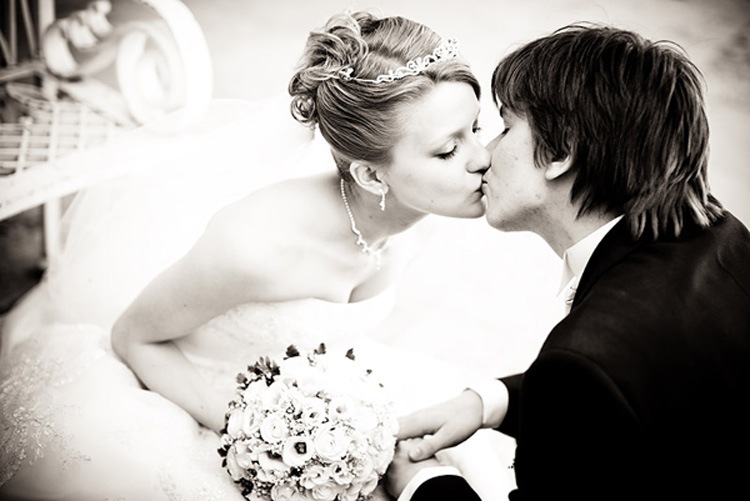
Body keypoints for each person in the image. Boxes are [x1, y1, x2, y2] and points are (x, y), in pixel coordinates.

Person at [0, 10, 511, 501]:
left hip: (306, 387)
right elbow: (133, 337)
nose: (482, 158)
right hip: (196, 397)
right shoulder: (255, 247)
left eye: (476, 129)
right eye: (448, 150)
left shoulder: (416, 218)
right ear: (371, 176)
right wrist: (261, 439)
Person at [387, 23, 750, 501]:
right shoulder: (723, 236)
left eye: (506, 128)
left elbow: (598, 379)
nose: (485, 155)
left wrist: (420, 482)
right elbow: (649, 392)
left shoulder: (584, 363)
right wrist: (491, 402)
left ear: (560, 152)